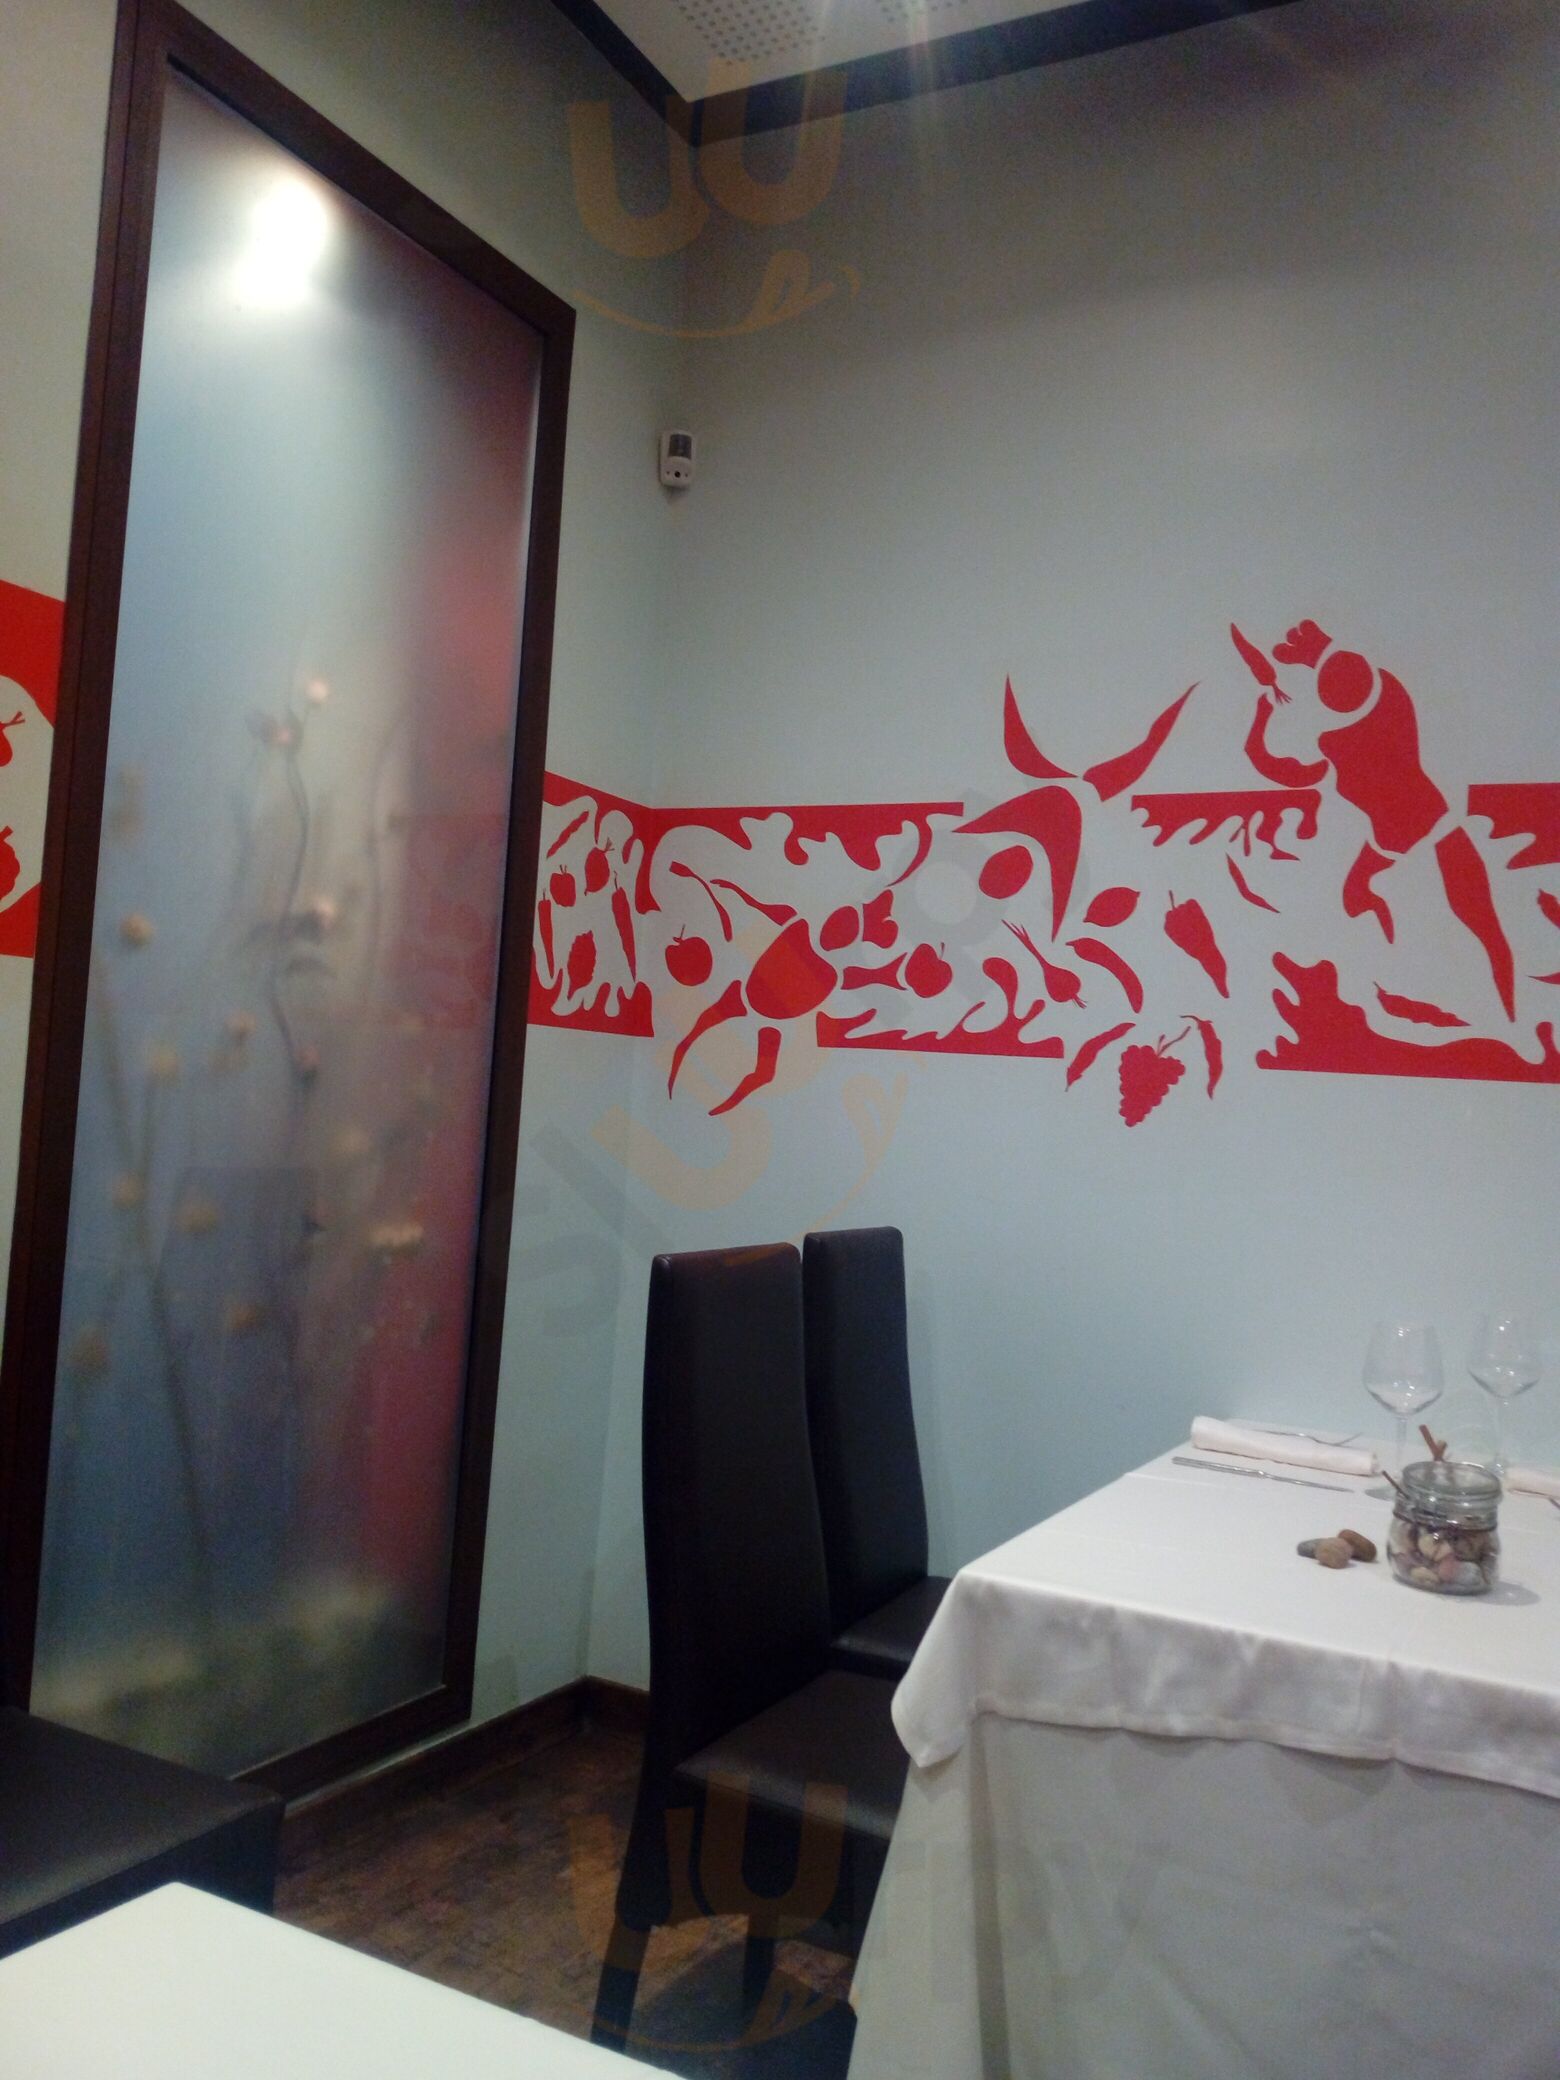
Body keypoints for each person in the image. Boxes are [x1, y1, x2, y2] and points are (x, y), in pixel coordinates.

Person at [1232, 618, 1515, 1020]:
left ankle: (1503, 1010)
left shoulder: (1373, 714)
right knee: (1362, 899)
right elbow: (1274, 765)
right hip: (1395, 840)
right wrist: (1263, 715)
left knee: (1482, 929)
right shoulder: (1352, 731)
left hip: (1429, 832)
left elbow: (1276, 761)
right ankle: (1459, 999)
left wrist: (1279, 699)